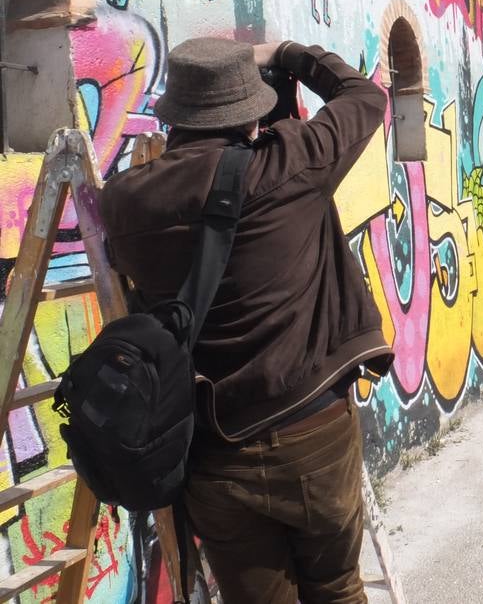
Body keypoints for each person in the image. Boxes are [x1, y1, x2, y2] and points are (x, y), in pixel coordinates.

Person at [100, 38, 394, 604]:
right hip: (312, 431)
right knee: (336, 588)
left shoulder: (125, 202)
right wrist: (287, 52)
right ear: (249, 114)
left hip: (212, 451)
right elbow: (363, 95)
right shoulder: (290, 163)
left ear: (177, 116)